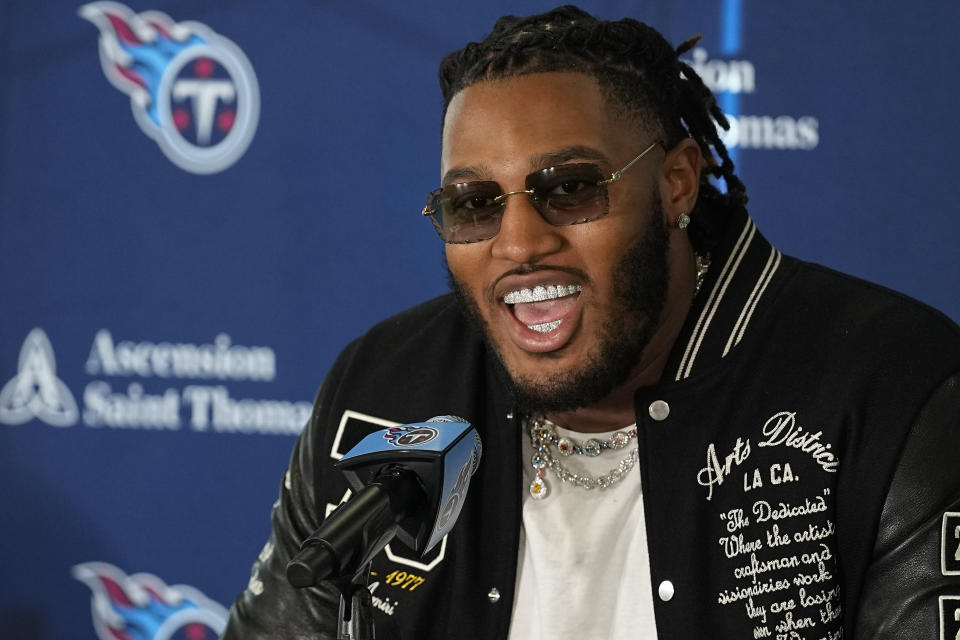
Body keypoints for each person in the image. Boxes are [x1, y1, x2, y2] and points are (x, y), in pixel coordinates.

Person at [221, 5, 960, 639]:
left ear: (676, 182)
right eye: (474, 203)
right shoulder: (383, 385)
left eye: (571, 189)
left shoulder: (892, 387)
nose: (518, 243)